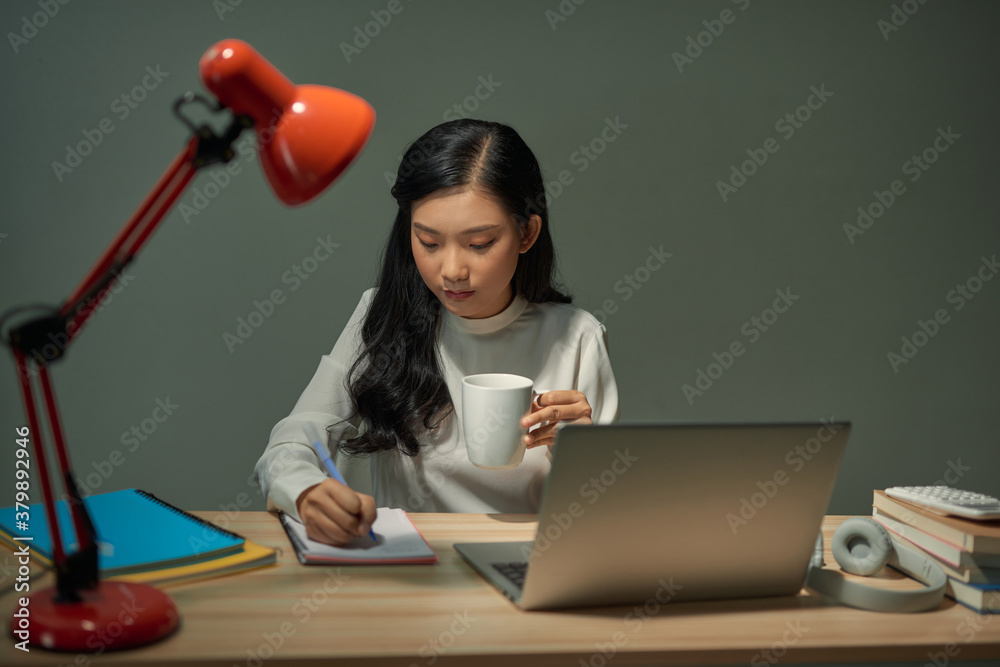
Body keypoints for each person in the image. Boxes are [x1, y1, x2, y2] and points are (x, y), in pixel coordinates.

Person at [254, 119, 619, 546]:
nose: (451, 271)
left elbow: (604, 520)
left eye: (479, 243)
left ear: (527, 233)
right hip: (411, 566)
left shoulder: (577, 337)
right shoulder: (383, 315)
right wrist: (305, 490)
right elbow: (296, 437)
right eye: (428, 242)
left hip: (524, 565)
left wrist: (582, 457)